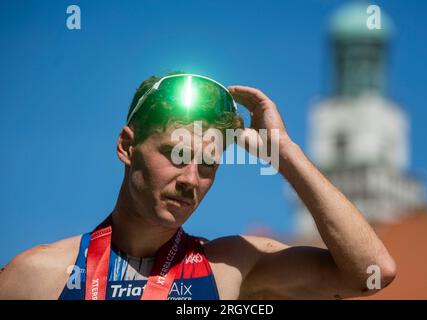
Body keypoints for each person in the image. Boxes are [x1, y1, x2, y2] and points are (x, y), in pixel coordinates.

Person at [0, 73, 396, 300]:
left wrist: (285, 154)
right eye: (175, 154)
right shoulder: (37, 277)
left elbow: (372, 272)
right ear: (126, 146)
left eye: (207, 164)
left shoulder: (230, 267)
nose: (191, 179)